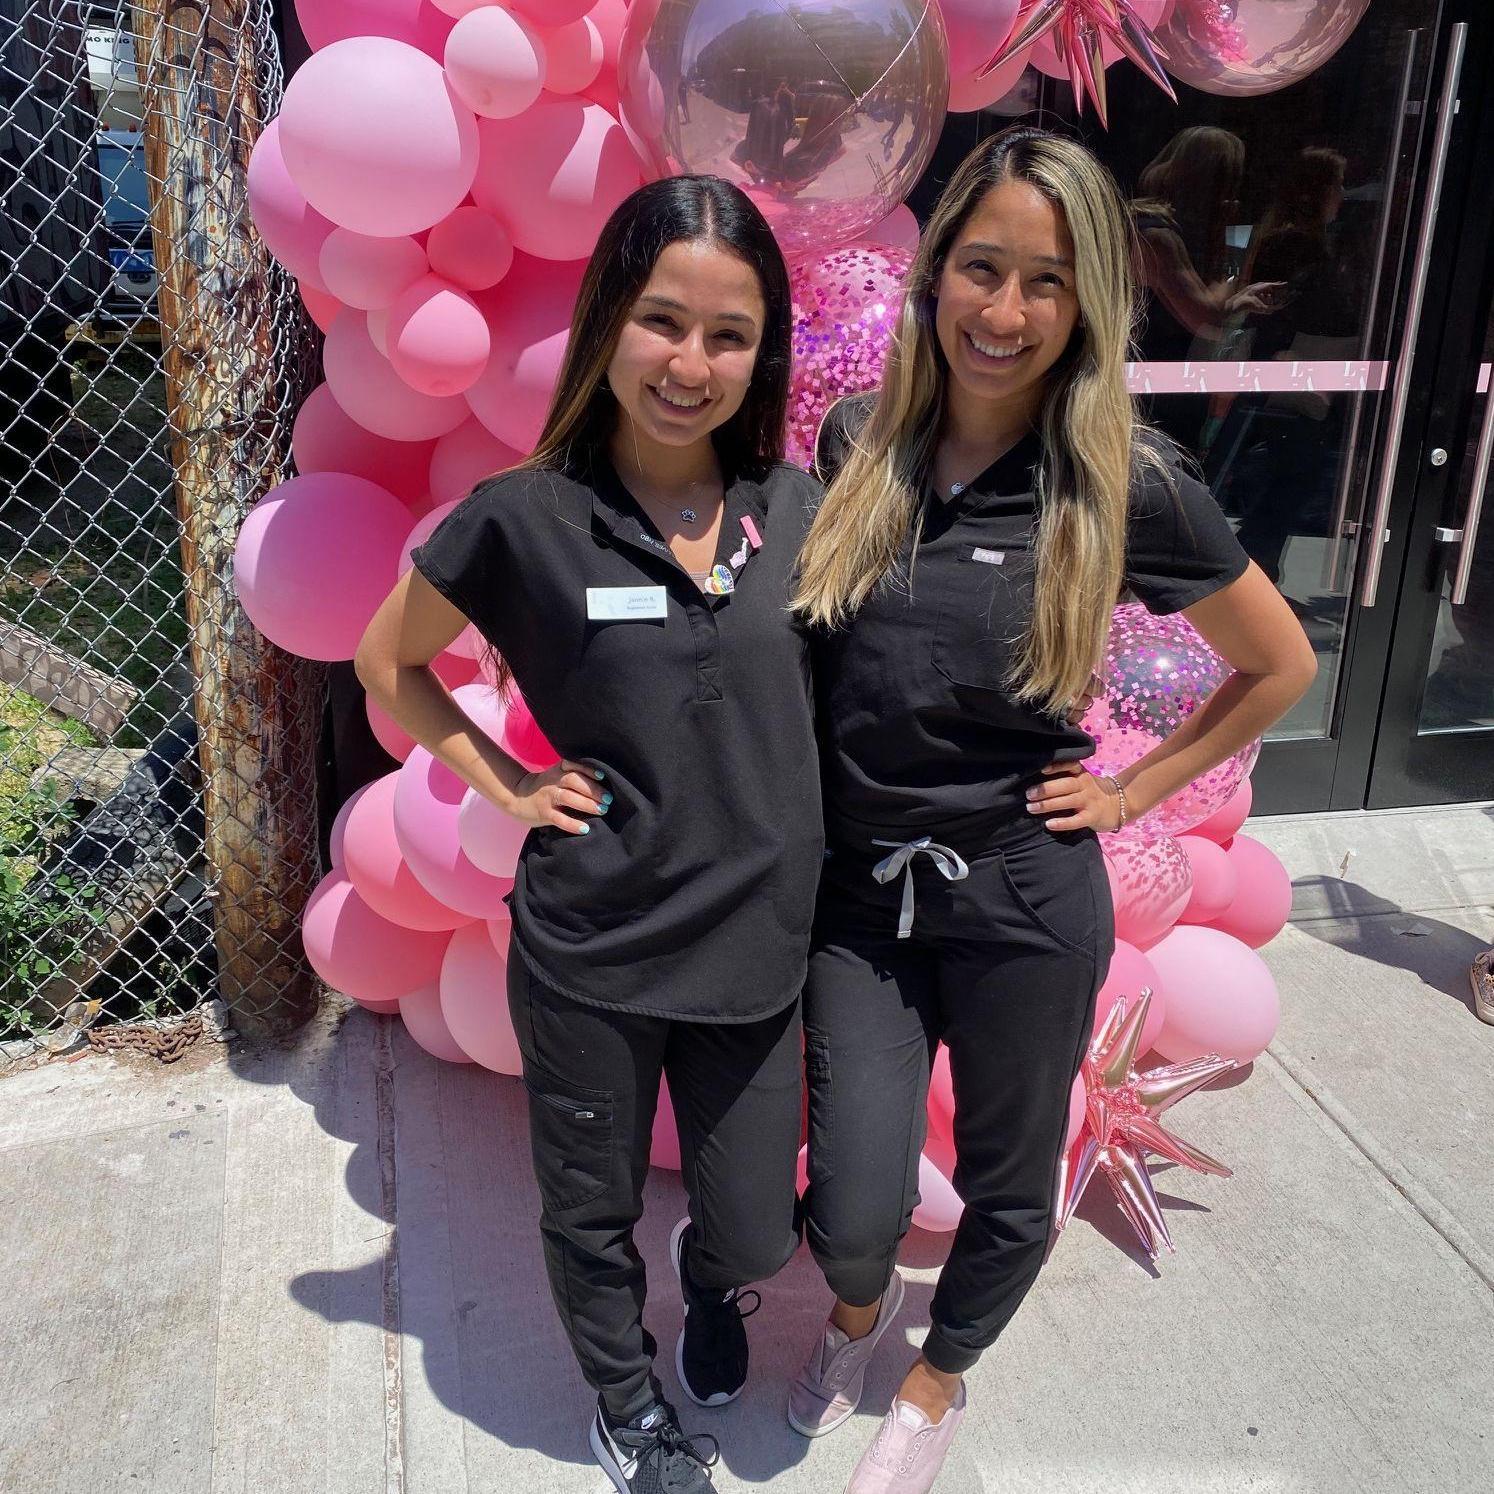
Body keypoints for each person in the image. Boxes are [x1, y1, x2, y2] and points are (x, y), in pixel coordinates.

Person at [788, 126, 1318, 1492]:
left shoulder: (1123, 481)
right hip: (866, 891)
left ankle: (932, 1376)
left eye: (1043, 281)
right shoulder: (861, 439)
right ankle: (857, 1313)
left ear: (1087, 301)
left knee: (1015, 1182)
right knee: (852, 1206)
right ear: (935, 273)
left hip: (1024, 888)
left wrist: (1135, 783)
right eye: (979, 268)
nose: (1003, 311)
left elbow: (1279, 661)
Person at [356, 176, 823, 1494]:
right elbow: (387, 663)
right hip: (594, 950)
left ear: (761, 350)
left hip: (759, 947)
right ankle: (631, 1406)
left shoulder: (796, 509)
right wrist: (505, 780)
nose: (690, 363)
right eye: (660, 320)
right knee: (589, 1205)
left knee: (750, 1221)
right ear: (608, 319)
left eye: (727, 334)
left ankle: (713, 1283)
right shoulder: (522, 517)